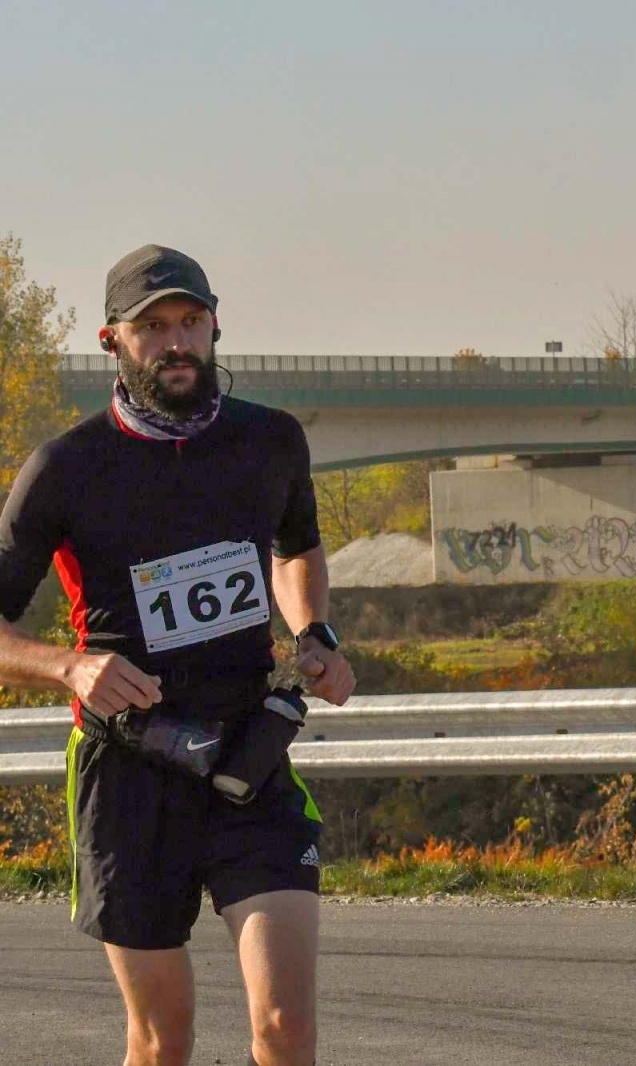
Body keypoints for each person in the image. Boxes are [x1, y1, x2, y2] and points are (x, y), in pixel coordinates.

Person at [0, 245, 356, 1066]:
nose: (175, 342)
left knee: (286, 1028)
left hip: (247, 757)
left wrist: (313, 634)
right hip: (130, 773)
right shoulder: (66, 468)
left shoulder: (270, 441)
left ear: (215, 323)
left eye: (189, 321)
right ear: (112, 342)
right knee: (163, 1041)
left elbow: (296, 550)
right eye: (151, 327)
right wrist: (70, 667)